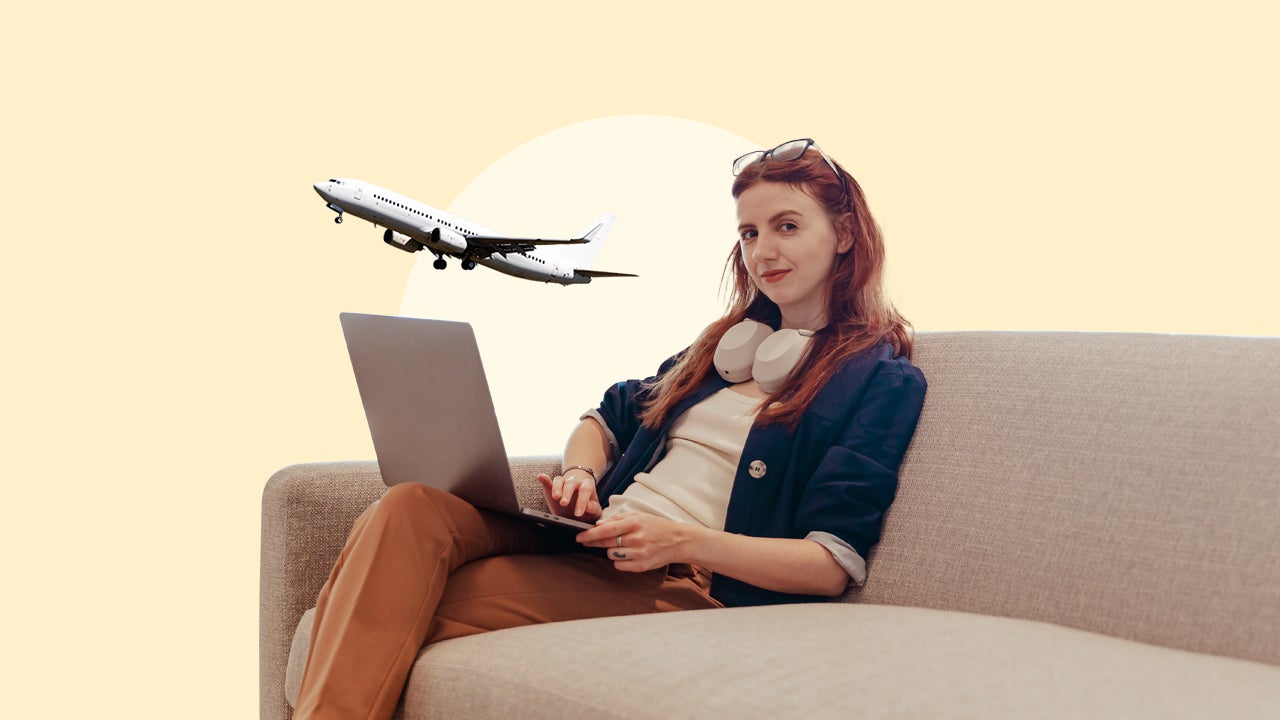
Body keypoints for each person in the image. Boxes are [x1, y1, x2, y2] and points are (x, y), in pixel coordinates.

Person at [293, 138, 927, 719]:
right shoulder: (726, 349)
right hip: (595, 543)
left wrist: (679, 541)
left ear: (845, 234)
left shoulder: (876, 379)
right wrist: (579, 473)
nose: (762, 251)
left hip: (684, 585)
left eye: (787, 226)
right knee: (410, 506)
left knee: (387, 605)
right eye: (749, 233)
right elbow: (605, 417)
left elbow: (829, 565)